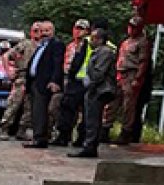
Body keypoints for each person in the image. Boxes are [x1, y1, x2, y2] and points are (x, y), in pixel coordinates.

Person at [71, 27, 117, 158]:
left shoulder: (105, 52)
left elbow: (98, 73)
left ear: (100, 39)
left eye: (93, 38)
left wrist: (90, 81)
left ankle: (90, 146)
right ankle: (89, 144)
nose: (90, 41)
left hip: (98, 90)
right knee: (90, 118)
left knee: (93, 119)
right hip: (93, 89)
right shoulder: (97, 52)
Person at [23, 20, 64, 149]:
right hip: (35, 82)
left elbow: (58, 64)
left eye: (47, 31)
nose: (44, 33)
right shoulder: (41, 46)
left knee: (41, 111)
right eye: (42, 31)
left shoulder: (56, 45)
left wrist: (54, 81)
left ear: (53, 31)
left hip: (45, 83)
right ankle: (37, 136)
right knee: (35, 111)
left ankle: (40, 138)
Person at [53, 19, 91, 146]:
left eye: (81, 29)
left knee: (83, 111)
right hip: (68, 79)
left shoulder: (89, 45)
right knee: (65, 108)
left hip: (83, 81)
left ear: (87, 31)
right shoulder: (70, 46)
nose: (78, 31)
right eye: (76, 28)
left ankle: (81, 137)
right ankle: (64, 135)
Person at [114, 16, 151, 145]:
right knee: (113, 102)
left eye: (135, 27)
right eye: (130, 26)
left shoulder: (142, 42)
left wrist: (137, 78)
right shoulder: (126, 42)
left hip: (131, 74)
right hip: (121, 74)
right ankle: (106, 127)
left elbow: (143, 62)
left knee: (128, 105)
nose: (131, 29)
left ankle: (126, 131)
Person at [0, 23, 40, 141]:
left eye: (40, 31)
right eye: (35, 31)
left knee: (30, 107)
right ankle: (5, 128)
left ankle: (22, 130)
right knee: (14, 104)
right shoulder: (25, 44)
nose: (38, 33)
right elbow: (6, 56)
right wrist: (8, 71)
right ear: (31, 32)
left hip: (35, 79)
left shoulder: (43, 46)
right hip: (22, 77)